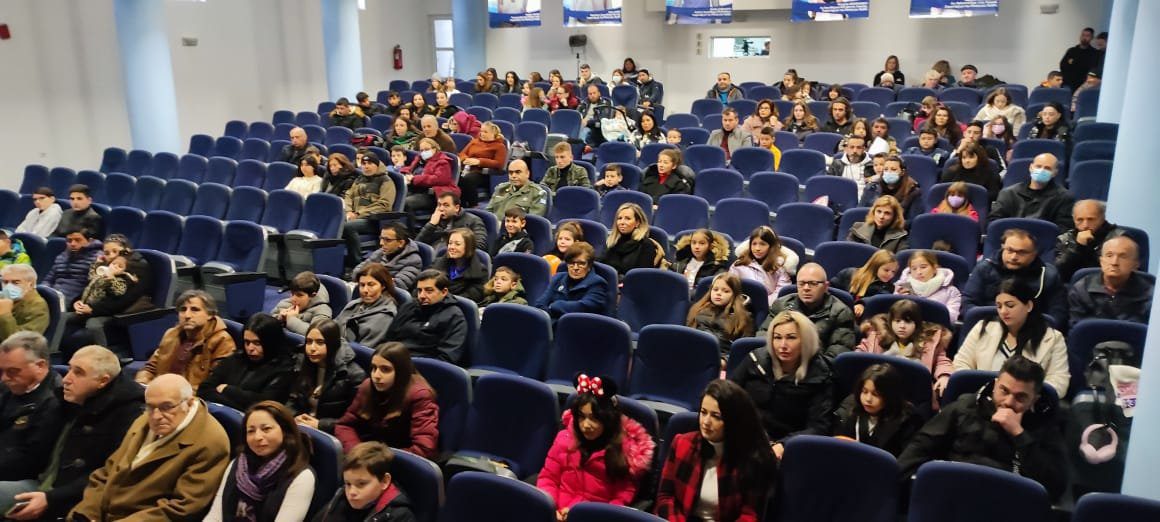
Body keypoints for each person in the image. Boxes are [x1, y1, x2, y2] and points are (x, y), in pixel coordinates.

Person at [0, 346, 141, 520]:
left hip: (73, 497)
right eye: (70, 369)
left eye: (78, 373)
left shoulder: (128, 414)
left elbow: (108, 475)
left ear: (102, 381)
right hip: (41, 482)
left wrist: (52, 499)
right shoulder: (66, 401)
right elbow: (31, 453)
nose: (66, 379)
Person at [898, 356, 1068, 500]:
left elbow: (1055, 487)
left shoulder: (1043, 426)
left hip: (1006, 504)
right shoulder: (965, 407)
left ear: (1034, 400)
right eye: (1004, 391)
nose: (1009, 402)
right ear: (995, 385)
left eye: (1021, 397)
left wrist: (1019, 435)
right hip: (952, 496)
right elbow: (919, 448)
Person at [70, 373, 230, 520]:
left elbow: (182, 509)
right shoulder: (144, 420)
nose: (156, 416)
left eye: (167, 407)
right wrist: (87, 513)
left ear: (188, 403)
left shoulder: (210, 442)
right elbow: (106, 473)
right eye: (151, 406)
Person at [654, 380, 776, 521]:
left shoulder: (751, 459)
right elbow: (665, 496)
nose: (706, 422)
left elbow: (750, 514)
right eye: (703, 412)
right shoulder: (681, 443)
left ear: (733, 420)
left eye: (716, 416)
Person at [538, 375, 655, 518]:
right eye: (581, 417)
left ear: (607, 419)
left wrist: (583, 516)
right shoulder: (564, 439)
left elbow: (621, 499)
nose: (586, 425)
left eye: (594, 418)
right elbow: (548, 478)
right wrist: (553, 509)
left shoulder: (624, 452)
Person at [731, 310, 834, 447]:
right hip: (746, 433)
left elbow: (818, 427)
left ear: (806, 340)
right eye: (777, 337)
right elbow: (728, 394)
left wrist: (784, 444)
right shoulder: (756, 359)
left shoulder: (820, 374)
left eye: (791, 338)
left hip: (788, 444)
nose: (783, 345)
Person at [203, 401, 315, 522]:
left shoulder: (302, 477)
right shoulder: (239, 463)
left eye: (266, 429)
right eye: (251, 431)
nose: (257, 437)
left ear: (285, 431)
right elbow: (216, 515)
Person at [957, 278, 1071, 394]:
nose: (1003, 311)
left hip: (1028, 402)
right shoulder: (983, 328)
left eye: (1010, 305)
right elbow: (960, 364)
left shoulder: (1053, 338)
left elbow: (1059, 382)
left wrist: (1027, 394)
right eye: (999, 306)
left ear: (1029, 306)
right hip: (982, 397)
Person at [334, 342, 439, 459]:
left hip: (401, 460)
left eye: (385, 370)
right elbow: (345, 425)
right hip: (371, 455)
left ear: (401, 372)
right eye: (374, 368)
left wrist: (377, 458)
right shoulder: (368, 386)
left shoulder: (421, 395)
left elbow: (424, 449)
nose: (376, 375)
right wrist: (357, 452)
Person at [964, 229, 1067, 324]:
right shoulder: (984, 269)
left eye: (1022, 252)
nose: (1013, 257)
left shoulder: (1049, 275)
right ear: (1002, 247)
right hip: (987, 326)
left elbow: (1058, 313)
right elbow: (968, 302)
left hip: (1033, 329)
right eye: (1009, 250)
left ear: (1034, 254)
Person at [0, 332, 62, 491]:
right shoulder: (9, 387)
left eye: (13, 371)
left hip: (25, 479)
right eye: (1, 371)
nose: (4, 378)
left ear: (40, 366)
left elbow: (30, 462)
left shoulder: (54, 402)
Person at [135, 290, 236, 388]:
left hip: (191, 396)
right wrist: (142, 383)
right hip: (159, 391)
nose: (187, 315)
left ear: (210, 315)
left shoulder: (222, 341)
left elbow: (212, 385)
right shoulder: (171, 334)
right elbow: (150, 368)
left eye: (195, 310)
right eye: (183, 310)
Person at [198, 313, 296, 411]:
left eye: (257, 343)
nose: (250, 348)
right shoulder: (237, 358)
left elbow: (264, 405)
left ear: (270, 343)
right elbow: (204, 390)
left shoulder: (284, 370)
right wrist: (237, 404)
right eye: (247, 342)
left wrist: (228, 390)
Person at [858, 300, 954, 398]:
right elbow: (860, 352)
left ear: (916, 324)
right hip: (878, 391)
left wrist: (944, 376)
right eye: (897, 321)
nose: (902, 326)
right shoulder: (878, 337)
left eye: (908, 321)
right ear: (890, 322)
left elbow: (941, 361)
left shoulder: (929, 342)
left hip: (914, 391)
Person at [762, 263, 857, 359]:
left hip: (817, 365)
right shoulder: (781, 305)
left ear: (826, 286)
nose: (806, 288)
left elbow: (836, 354)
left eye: (813, 283)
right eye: (801, 283)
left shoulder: (841, 312)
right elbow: (763, 336)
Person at [313, 442, 417, 521]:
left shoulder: (400, 516)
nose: (351, 492)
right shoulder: (341, 498)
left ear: (384, 481)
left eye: (361, 484)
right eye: (348, 484)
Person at [836, 364, 923, 457]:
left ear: (890, 396)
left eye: (876, 394)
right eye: (864, 392)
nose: (868, 399)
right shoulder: (849, 408)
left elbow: (907, 458)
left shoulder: (907, 419)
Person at [385, 270, 469, 365]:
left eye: (429, 291)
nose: (422, 296)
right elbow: (389, 338)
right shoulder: (409, 306)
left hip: (425, 367)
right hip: (396, 361)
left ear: (444, 292)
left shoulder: (454, 316)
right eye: (419, 290)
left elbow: (447, 358)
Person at [1068, 236, 1152, 328]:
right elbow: (1076, 330)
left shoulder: (1149, 295)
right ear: (1101, 261)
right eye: (1109, 255)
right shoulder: (1081, 289)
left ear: (1136, 264)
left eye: (1123, 256)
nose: (1114, 262)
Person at [990, 153, 1074, 229]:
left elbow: (1063, 227)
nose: (1042, 170)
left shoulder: (1064, 197)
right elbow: (994, 221)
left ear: (1055, 173)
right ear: (1031, 167)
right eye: (1038, 166)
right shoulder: (1008, 193)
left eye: (1047, 168)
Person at [342, 152, 397, 267]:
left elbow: (384, 205)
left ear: (377, 165)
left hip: (373, 220)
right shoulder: (359, 179)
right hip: (353, 216)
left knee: (347, 227)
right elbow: (348, 195)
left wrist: (358, 214)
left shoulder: (385, 181)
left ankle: (356, 263)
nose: (366, 166)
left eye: (370, 163)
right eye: (364, 163)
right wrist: (348, 211)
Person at [1055, 199, 1128, 281]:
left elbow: (1113, 269)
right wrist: (1078, 247)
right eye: (1080, 220)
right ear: (1074, 220)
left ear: (1102, 218)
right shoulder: (1065, 238)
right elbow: (1059, 272)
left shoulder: (1119, 239)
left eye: (1090, 219)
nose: (1085, 225)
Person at [688, 273, 755, 359]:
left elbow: (743, 349)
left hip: (720, 358)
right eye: (715, 289)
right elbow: (688, 333)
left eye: (725, 291)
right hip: (694, 352)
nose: (718, 293)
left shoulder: (743, 317)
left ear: (734, 294)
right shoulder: (698, 309)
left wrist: (725, 361)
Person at [537, 242, 609, 320]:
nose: (575, 268)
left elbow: (583, 307)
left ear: (589, 266)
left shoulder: (598, 283)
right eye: (571, 263)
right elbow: (540, 305)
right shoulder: (558, 277)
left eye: (581, 263)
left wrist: (554, 306)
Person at [335, 263, 398, 348]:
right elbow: (333, 328)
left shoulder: (385, 316)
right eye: (362, 285)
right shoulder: (353, 304)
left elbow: (362, 351)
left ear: (383, 286)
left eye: (371, 285)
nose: (365, 290)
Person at [728, 226, 796, 306]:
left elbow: (781, 293)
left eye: (762, 244)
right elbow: (729, 287)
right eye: (754, 244)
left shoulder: (779, 268)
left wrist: (761, 304)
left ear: (771, 247)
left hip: (768, 308)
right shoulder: (739, 264)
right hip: (739, 305)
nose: (757, 248)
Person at [40, 227, 102, 306]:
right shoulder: (62, 256)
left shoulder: (98, 258)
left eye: (78, 240)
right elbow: (48, 280)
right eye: (69, 241)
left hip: (76, 302)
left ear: (90, 241)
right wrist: (44, 291)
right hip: (54, 296)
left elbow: (95, 287)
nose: (73, 244)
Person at [355, 222, 423, 292]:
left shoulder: (414, 261)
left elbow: (397, 285)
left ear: (401, 243)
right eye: (381, 238)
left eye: (387, 240)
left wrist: (368, 280)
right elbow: (358, 271)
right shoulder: (381, 252)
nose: (381, 243)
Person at [831, 249, 898, 319]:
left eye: (893, 272)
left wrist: (862, 304)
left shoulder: (887, 287)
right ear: (875, 266)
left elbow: (878, 299)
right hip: (837, 312)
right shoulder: (849, 273)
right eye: (886, 270)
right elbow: (832, 289)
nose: (890, 274)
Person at [601, 203, 662, 277]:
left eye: (627, 218)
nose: (622, 222)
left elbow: (642, 276)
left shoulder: (646, 245)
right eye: (619, 218)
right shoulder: (612, 241)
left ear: (637, 223)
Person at [457, 121, 509, 208]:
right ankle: (460, 205)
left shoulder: (499, 146)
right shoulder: (474, 141)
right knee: (456, 178)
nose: (482, 134)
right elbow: (462, 154)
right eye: (481, 131)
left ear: (493, 134)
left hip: (484, 173)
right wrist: (465, 159)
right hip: (467, 169)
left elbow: (499, 164)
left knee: (467, 180)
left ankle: (473, 205)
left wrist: (479, 161)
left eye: (485, 132)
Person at [898, 249, 963, 318]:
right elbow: (894, 313)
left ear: (935, 268)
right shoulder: (901, 288)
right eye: (914, 269)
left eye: (923, 267)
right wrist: (901, 302)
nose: (918, 272)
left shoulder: (951, 292)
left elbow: (951, 317)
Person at [401, 137, 457, 215]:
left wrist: (414, 178)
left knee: (405, 203)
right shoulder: (419, 159)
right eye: (421, 150)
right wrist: (405, 174)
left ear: (434, 149)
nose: (423, 152)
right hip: (415, 189)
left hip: (431, 194)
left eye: (426, 149)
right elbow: (410, 169)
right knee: (396, 198)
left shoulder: (442, 162)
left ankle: (410, 223)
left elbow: (438, 179)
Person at [416, 192, 489, 251]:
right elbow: (417, 244)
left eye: (446, 205)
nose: (441, 209)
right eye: (439, 205)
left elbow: (480, 246)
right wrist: (431, 225)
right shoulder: (435, 221)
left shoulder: (473, 221)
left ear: (456, 208)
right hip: (435, 259)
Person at [432, 228, 488, 303]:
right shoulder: (437, 263)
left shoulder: (480, 271)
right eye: (450, 243)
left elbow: (471, 297)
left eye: (457, 244)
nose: (451, 247)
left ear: (468, 247)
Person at [271, 271, 333, 335]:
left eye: (299, 295)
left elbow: (317, 334)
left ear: (312, 295)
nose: (293, 299)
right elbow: (270, 320)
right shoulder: (286, 303)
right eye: (292, 293)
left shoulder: (323, 310)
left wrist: (291, 319)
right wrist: (280, 318)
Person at [0, 264, 48, 340]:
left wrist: (5, 314)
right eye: (5, 282)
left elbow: (20, 341)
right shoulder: (3, 297)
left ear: (31, 285)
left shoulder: (37, 306)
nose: (8, 287)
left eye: (15, 283)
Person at [1060, 27, 1099, 91]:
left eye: (1087, 36)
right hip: (1068, 84)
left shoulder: (1094, 53)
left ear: (1092, 38)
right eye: (1083, 35)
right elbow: (1063, 65)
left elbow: (1093, 70)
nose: (1084, 38)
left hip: (1084, 86)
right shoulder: (1071, 51)